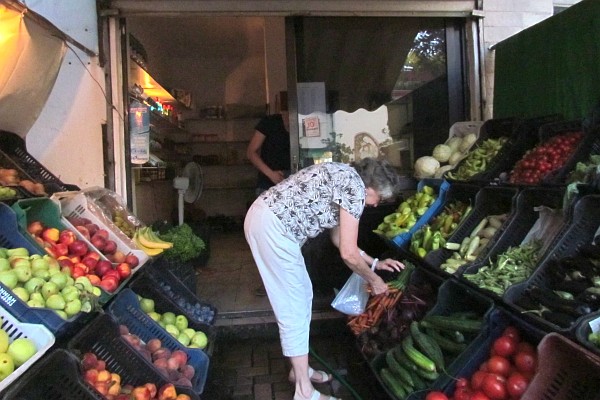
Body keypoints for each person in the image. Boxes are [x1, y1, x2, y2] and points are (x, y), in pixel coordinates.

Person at [244, 158, 405, 400]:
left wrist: (374, 263)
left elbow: (340, 239)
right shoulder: (355, 190)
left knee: (299, 299)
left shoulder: (345, 175)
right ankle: (303, 390)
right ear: (370, 187)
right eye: (379, 198)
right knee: (294, 304)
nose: (375, 205)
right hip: (273, 228)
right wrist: (374, 279)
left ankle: (299, 371)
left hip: (266, 220)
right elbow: (348, 254)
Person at [246, 107, 291, 296]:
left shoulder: (306, 120)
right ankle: (268, 284)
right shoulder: (270, 122)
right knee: (268, 238)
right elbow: (251, 152)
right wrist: (271, 174)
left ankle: (288, 282)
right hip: (268, 184)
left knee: (290, 237)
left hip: (294, 186)